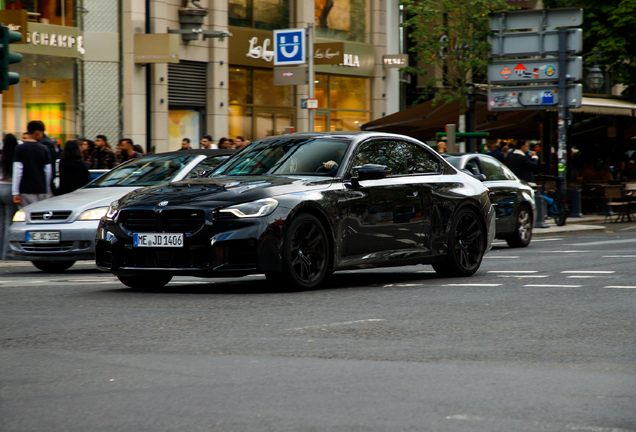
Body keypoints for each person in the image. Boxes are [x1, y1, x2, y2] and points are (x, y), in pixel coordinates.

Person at [12, 121, 53, 207]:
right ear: (37, 132)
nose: (42, 136)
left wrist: (15, 192)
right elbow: (48, 171)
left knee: (25, 215)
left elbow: (17, 171)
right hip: (41, 189)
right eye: (42, 133)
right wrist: (47, 189)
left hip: (25, 189)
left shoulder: (20, 148)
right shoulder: (44, 149)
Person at [0, 134, 19, 260]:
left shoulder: (1, 156)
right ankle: (7, 253)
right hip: (9, 188)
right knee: (9, 222)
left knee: (1, 223)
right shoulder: (14, 157)